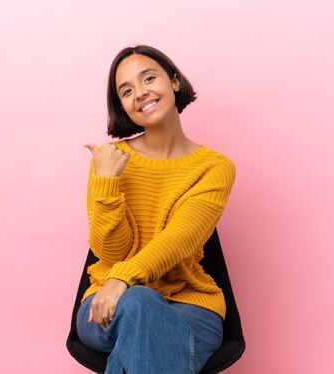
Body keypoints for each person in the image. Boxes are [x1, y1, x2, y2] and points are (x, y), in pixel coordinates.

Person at [76, 45, 236, 374]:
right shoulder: (109, 161)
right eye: (127, 90)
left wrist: (121, 280)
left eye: (149, 78)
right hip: (107, 307)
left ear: (174, 82)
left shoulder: (214, 167)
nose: (141, 93)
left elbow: (181, 239)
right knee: (139, 306)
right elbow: (109, 251)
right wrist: (108, 182)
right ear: (121, 105)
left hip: (189, 305)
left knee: (142, 319)